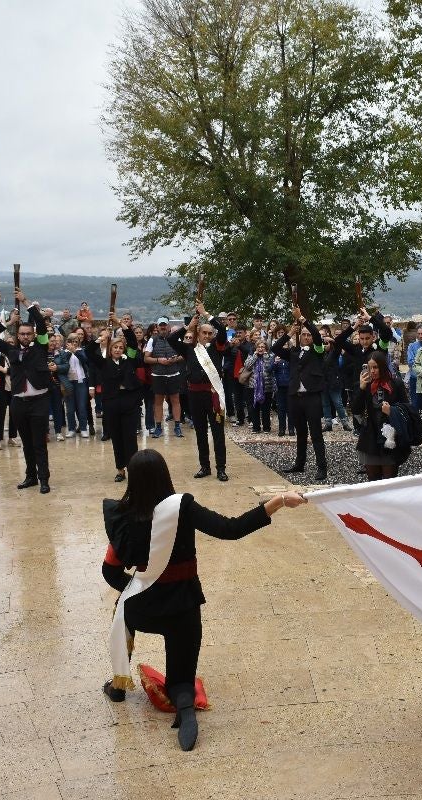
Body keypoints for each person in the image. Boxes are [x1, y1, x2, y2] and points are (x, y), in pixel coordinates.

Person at [100, 449, 307, 750]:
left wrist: (137, 587)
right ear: (165, 476)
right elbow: (231, 529)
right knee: (181, 681)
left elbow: (109, 571)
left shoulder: (122, 516)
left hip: (142, 609)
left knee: (123, 608)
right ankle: (185, 706)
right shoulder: (181, 507)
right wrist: (278, 502)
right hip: (182, 607)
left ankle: (119, 685)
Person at [0, 292, 53, 494]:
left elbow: (40, 322)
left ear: (33, 335)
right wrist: (7, 322)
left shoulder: (41, 346)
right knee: (27, 443)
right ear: (18, 335)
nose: (25, 336)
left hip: (39, 400)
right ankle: (30, 476)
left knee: (39, 443)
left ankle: (44, 479)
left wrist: (25, 301)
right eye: (22, 334)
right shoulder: (10, 350)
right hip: (19, 403)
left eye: (28, 334)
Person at [169, 303, 230, 481]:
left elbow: (222, 330)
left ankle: (221, 468)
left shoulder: (218, 347)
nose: (207, 336)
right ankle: (205, 466)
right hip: (195, 396)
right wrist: (188, 327)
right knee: (200, 432)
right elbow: (172, 339)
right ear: (199, 333)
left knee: (218, 433)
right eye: (204, 332)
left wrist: (206, 314)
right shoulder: (189, 349)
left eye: (210, 333)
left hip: (213, 395)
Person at [86, 319, 145, 482]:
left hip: (129, 402)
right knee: (117, 438)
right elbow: (89, 351)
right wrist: (101, 338)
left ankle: (133, 469)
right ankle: (120, 469)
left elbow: (132, 342)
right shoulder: (103, 363)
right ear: (110, 349)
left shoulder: (129, 359)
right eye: (115, 347)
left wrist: (121, 324)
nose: (118, 350)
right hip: (111, 403)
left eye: (120, 347)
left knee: (130, 438)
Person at [273, 312, 329, 483]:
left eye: (308, 335)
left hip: (312, 396)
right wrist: (290, 332)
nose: (306, 337)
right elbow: (275, 349)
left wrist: (303, 319)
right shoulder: (294, 351)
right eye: (303, 334)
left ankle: (322, 467)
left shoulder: (318, 350)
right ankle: (299, 463)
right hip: (295, 396)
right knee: (300, 432)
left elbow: (317, 336)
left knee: (316, 433)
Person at [353, 353, 412, 480]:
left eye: (375, 367)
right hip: (371, 435)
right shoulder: (366, 384)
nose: (372, 371)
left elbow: (407, 409)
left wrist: (392, 411)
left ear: (383, 367)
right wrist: (361, 388)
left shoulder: (395, 383)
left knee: (389, 479)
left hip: (390, 435)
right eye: (370, 368)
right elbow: (355, 410)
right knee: (373, 480)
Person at [145, 319, 185, 438]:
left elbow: (184, 355)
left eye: (165, 325)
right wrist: (159, 360)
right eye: (161, 325)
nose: (163, 327)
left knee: (175, 400)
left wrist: (175, 359)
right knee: (158, 402)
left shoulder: (176, 338)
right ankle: (158, 427)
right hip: (158, 375)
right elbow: (146, 358)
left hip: (174, 373)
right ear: (157, 327)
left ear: (168, 326)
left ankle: (177, 426)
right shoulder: (152, 340)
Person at [242, 338, 275, 433]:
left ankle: (266, 427)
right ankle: (256, 427)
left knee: (266, 408)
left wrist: (265, 357)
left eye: (263, 347)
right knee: (254, 408)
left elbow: (269, 368)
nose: (260, 349)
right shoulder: (251, 355)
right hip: (253, 386)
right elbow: (247, 366)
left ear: (266, 348)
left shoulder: (270, 356)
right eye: (259, 347)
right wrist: (255, 356)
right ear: (256, 348)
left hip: (267, 386)